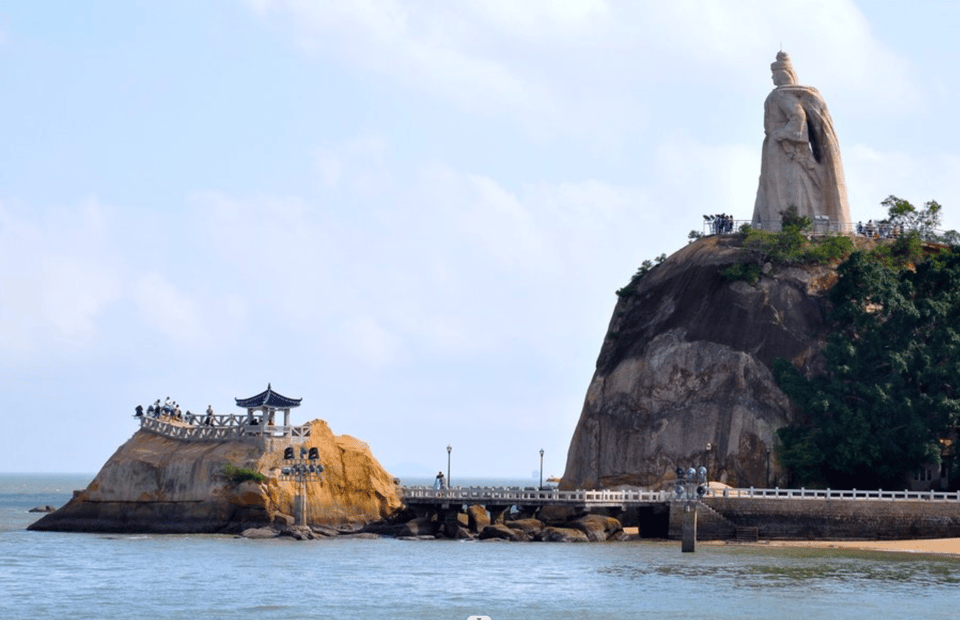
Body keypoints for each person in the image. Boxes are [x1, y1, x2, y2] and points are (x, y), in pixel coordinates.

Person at [752, 52, 850, 231]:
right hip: (776, 146)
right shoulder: (778, 94)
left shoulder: (779, 96)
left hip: (783, 147)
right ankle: (775, 223)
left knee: (789, 186)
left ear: (782, 74)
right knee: (776, 186)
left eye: (774, 74)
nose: (772, 77)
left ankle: (784, 224)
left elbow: (798, 116)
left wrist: (783, 134)